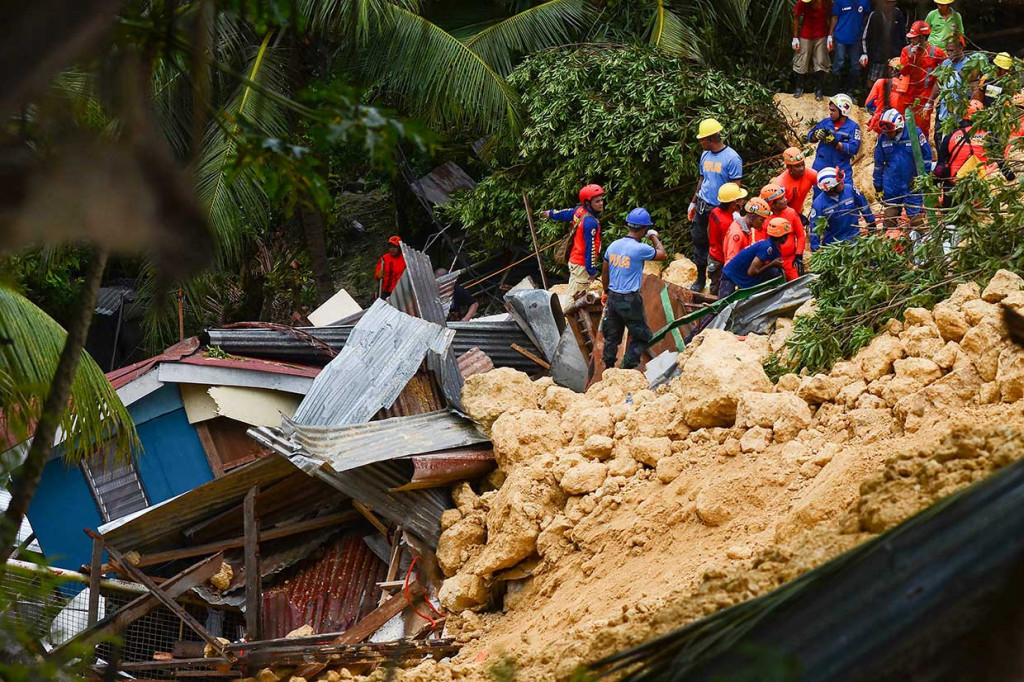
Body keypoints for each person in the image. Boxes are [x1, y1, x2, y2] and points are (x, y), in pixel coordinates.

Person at [600, 208, 668, 370]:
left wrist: (605, 291)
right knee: (642, 336)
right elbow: (663, 254)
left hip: (613, 297)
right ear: (644, 229)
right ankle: (627, 368)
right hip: (630, 300)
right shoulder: (640, 249)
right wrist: (653, 237)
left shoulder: (614, 245)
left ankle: (608, 369)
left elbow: (605, 270)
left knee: (611, 337)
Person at [688, 118, 744, 293]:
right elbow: (702, 179)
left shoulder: (732, 158)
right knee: (699, 241)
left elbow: (736, 185)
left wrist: (734, 209)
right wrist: (693, 202)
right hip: (703, 205)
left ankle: (719, 283)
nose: (700, 143)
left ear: (710, 139)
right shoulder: (705, 155)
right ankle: (699, 278)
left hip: (720, 209)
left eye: (702, 140)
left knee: (718, 246)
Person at [873, 108, 933, 234]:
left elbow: (927, 158)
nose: (887, 135)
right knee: (889, 218)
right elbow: (878, 164)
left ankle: (927, 241)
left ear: (899, 127)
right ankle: (884, 246)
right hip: (892, 184)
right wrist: (878, 187)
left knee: (915, 218)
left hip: (912, 184)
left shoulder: (914, 134)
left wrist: (922, 179)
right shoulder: (882, 139)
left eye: (890, 132)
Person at [544, 184, 605, 303]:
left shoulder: (579, 211)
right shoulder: (590, 223)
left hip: (574, 260)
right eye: (597, 201)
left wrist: (551, 213)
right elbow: (590, 249)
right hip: (582, 264)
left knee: (574, 291)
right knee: (574, 300)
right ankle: (565, 318)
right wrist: (591, 270)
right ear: (588, 203)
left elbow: (565, 213)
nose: (601, 203)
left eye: (602, 200)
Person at [719, 217, 791, 298]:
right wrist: (771, 264)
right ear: (783, 237)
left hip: (741, 276)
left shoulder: (771, 246)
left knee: (776, 272)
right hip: (731, 276)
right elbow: (752, 271)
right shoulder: (767, 248)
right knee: (723, 305)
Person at [809, 166, 877, 247]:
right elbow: (814, 228)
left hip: (854, 239)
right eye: (839, 183)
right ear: (831, 189)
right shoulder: (818, 204)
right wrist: (815, 247)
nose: (843, 183)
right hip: (833, 245)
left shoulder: (850, 190)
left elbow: (863, 205)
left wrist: (871, 222)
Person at [900, 21, 947, 139]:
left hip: (925, 96)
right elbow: (903, 71)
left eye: (914, 38)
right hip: (908, 95)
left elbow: (947, 70)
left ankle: (923, 152)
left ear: (922, 37)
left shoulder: (936, 52)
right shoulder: (906, 51)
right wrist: (911, 58)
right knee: (905, 126)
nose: (911, 41)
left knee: (922, 128)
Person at [808, 94, 862, 179]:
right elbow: (810, 137)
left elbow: (854, 148)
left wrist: (836, 143)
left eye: (833, 110)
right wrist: (815, 135)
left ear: (843, 111)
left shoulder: (853, 127)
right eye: (830, 110)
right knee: (819, 190)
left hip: (841, 167)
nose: (830, 113)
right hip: (821, 165)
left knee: (845, 191)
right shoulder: (825, 123)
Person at [708, 183, 748, 294]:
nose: (742, 202)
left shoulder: (715, 211)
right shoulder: (728, 223)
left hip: (713, 254)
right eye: (740, 200)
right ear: (733, 204)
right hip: (720, 260)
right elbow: (729, 247)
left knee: (715, 284)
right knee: (720, 289)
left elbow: (709, 231)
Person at [760, 183, 807, 279]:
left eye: (784, 197)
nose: (785, 200)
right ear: (772, 204)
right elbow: (761, 244)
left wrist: (799, 255)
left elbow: (801, 235)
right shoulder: (763, 220)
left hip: (791, 260)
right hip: (774, 262)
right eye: (781, 199)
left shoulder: (791, 213)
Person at [792, 0, 832, 100]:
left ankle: (819, 90)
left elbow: (831, 17)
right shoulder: (802, 3)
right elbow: (796, 18)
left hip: (821, 36)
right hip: (806, 35)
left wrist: (831, 36)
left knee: (821, 61)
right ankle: (799, 87)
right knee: (802, 60)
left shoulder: (826, 3)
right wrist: (795, 37)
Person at [860, 0, 906, 86]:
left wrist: (903, 54)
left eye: (890, 3)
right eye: (886, 2)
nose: (887, 5)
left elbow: (902, 35)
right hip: (878, 56)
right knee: (873, 80)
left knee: (893, 82)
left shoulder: (898, 14)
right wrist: (865, 53)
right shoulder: (875, 15)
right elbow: (866, 36)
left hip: (894, 55)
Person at [934, 35, 969, 148]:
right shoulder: (946, 64)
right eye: (947, 51)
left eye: (952, 50)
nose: (949, 54)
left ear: (960, 48)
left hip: (960, 113)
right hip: (944, 112)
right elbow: (938, 83)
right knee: (939, 140)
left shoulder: (968, 65)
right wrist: (929, 101)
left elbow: (974, 89)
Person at [829, 0, 870, 95]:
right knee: (839, 63)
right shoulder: (840, 1)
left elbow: (866, 17)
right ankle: (835, 92)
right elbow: (835, 17)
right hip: (841, 36)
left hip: (856, 38)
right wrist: (830, 35)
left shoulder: (864, 1)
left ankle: (850, 92)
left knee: (855, 66)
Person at [723, 197, 773, 269]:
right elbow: (730, 262)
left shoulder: (747, 230)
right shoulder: (737, 234)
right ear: (753, 216)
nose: (762, 224)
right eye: (761, 220)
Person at [773, 147, 819, 218]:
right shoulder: (781, 184)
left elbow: (824, 184)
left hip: (797, 212)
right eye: (797, 166)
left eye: (802, 164)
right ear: (789, 167)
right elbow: (778, 209)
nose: (801, 169)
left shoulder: (809, 174)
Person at [865, 57, 906, 132]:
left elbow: (868, 104)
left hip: (882, 124)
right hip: (902, 125)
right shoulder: (909, 87)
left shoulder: (881, 82)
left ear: (892, 70)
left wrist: (878, 112)